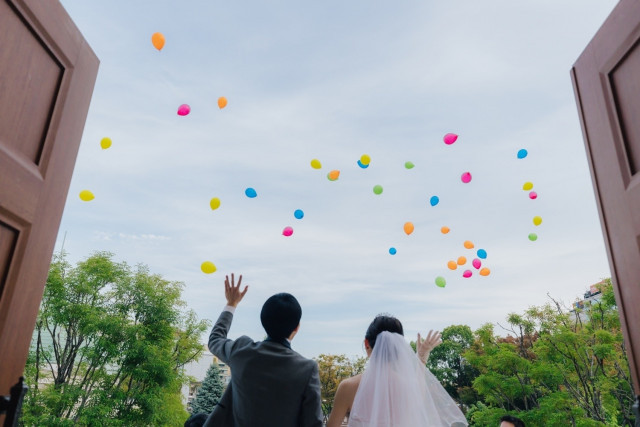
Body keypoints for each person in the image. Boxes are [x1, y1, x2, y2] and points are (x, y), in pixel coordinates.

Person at [203, 273, 323, 427]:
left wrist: (231, 304)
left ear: (263, 321)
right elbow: (313, 423)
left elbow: (215, 339)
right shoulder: (307, 369)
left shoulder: (241, 351)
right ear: (297, 327)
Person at [327, 314, 468, 427]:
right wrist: (421, 358)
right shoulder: (411, 387)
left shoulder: (348, 387)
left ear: (366, 343)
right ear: (399, 347)